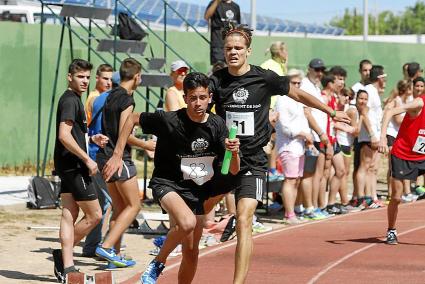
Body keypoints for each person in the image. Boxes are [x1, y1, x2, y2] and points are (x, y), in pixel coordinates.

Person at [205, 23, 350, 284]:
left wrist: (330, 112)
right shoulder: (216, 82)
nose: (233, 52)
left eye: (238, 48)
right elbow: (199, 112)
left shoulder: (264, 77)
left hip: (253, 160)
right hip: (224, 158)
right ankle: (181, 241)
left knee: (245, 217)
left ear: (248, 51)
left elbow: (298, 94)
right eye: (228, 48)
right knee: (196, 214)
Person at [102, 72, 240, 283]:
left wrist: (234, 152)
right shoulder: (169, 120)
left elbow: (233, 170)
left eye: (202, 97)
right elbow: (132, 118)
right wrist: (118, 154)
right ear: (185, 98)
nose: (198, 103)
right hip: (167, 183)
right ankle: (157, 263)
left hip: (197, 190)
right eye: (192, 98)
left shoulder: (217, 125)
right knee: (186, 223)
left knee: (192, 253)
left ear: (210, 97)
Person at [52, 59, 108, 282]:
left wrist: (92, 138)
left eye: (87, 77)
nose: (84, 81)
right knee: (95, 214)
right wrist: (87, 159)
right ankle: (65, 254)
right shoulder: (69, 101)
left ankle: (66, 266)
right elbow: (63, 136)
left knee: (69, 214)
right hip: (74, 167)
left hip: (67, 165)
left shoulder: (75, 100)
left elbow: (73, 133)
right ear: (70, 77)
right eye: (80, 77)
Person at [94, 58, 149, 268]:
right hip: (118, 159)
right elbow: (123, 131)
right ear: (136, 77)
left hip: (104, 156)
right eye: (140, 76)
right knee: (134, 206)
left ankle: (112, 257)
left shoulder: (110, 95)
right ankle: (106, 246)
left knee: (119, 209)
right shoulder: (127, 99)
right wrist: (147, 145)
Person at [378, 90, 425, 245]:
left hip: (422, 156)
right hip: (403, 154)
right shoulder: (418, 103)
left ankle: (420, 190)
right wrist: (383, 138)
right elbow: (390, 111)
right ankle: (391, 230)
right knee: (397, 197)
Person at [82, 64, 114, 258]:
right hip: (95, 156)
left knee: (102, 203)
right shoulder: (96, 99)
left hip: (97, 154)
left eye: (110, 79)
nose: (108, 82)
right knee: (108, 202)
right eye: (105, 78)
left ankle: (94, 245)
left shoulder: (100, 98)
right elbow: (90, 129)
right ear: (97, 79)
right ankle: (106, 244)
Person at [274, 69, 312, 224]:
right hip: (287, 146)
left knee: (295, 180)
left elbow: (303, 121)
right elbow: (285, 127)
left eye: (298, 83)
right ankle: (289, 214)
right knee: (290, 179)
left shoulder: (297, 101)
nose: (296, 85)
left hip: (299, 146)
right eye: (293, 83)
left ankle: (293, 210)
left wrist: (307, 136)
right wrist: (304, 134)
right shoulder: (282, 100)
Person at [204, 0, 240, 65]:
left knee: (232, 66)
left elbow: (238, 26)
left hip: (232, 44)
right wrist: (217, 2)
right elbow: (206, 17)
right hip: (218, 45)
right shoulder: (214, 3)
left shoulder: (236, 6)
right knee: (218, 67)